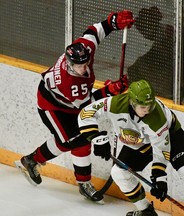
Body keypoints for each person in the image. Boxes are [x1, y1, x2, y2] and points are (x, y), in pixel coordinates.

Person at [15, 10, 135, 202]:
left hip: (72, 104)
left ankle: (32, 160)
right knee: (79, 140)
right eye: (79, 67)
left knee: (71, 140)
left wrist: (113, 22)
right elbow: (88, 106)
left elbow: (94, 31)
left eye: (86, 63)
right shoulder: (68, 82)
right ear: (69, 65)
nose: (84, 68)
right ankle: (82, 183)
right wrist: (111, 90)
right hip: (51, 107)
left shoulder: (82, 50)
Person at [78, 79, 184, 216]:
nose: (147, 110)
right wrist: (98, 140)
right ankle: (146, 211)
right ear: (132, 103)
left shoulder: (156, 117)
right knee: (118, 173)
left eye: (150, 106)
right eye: (143, 107)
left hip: (172, 136)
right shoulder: (115, 104)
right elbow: (85, 114)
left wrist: (159, 178)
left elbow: (161, 149)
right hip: (141, 143)